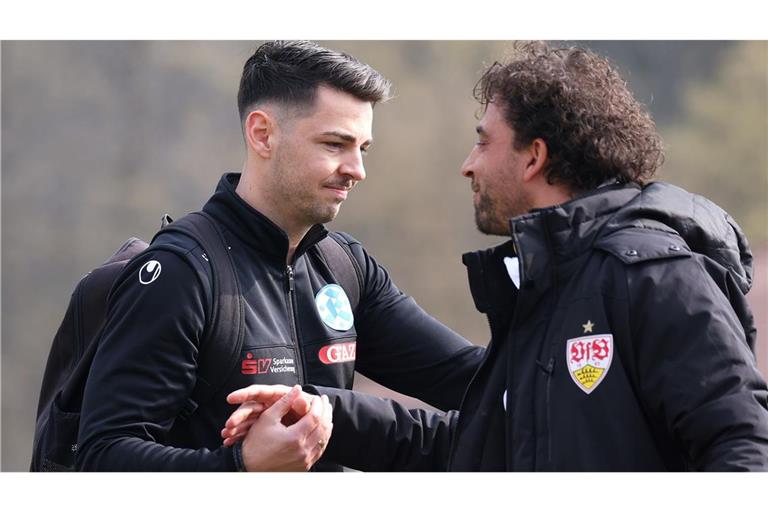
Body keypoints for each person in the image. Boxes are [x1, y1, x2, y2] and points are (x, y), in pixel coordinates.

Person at [225, 41, 768, 471]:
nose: (468, 164)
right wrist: (324, 414)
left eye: (484, 141)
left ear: (534, 157)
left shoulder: (656, 277)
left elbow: (746, 445)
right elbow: (485, 444)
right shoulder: (550, 287)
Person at [75, 41, 484, 471]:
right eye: (335, 144)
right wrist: (241, 468)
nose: (357, 169)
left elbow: (472, 379)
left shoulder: (346, 267)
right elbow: (103, 458)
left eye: (362, 149)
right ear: (262, 134)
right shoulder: (183, 273)